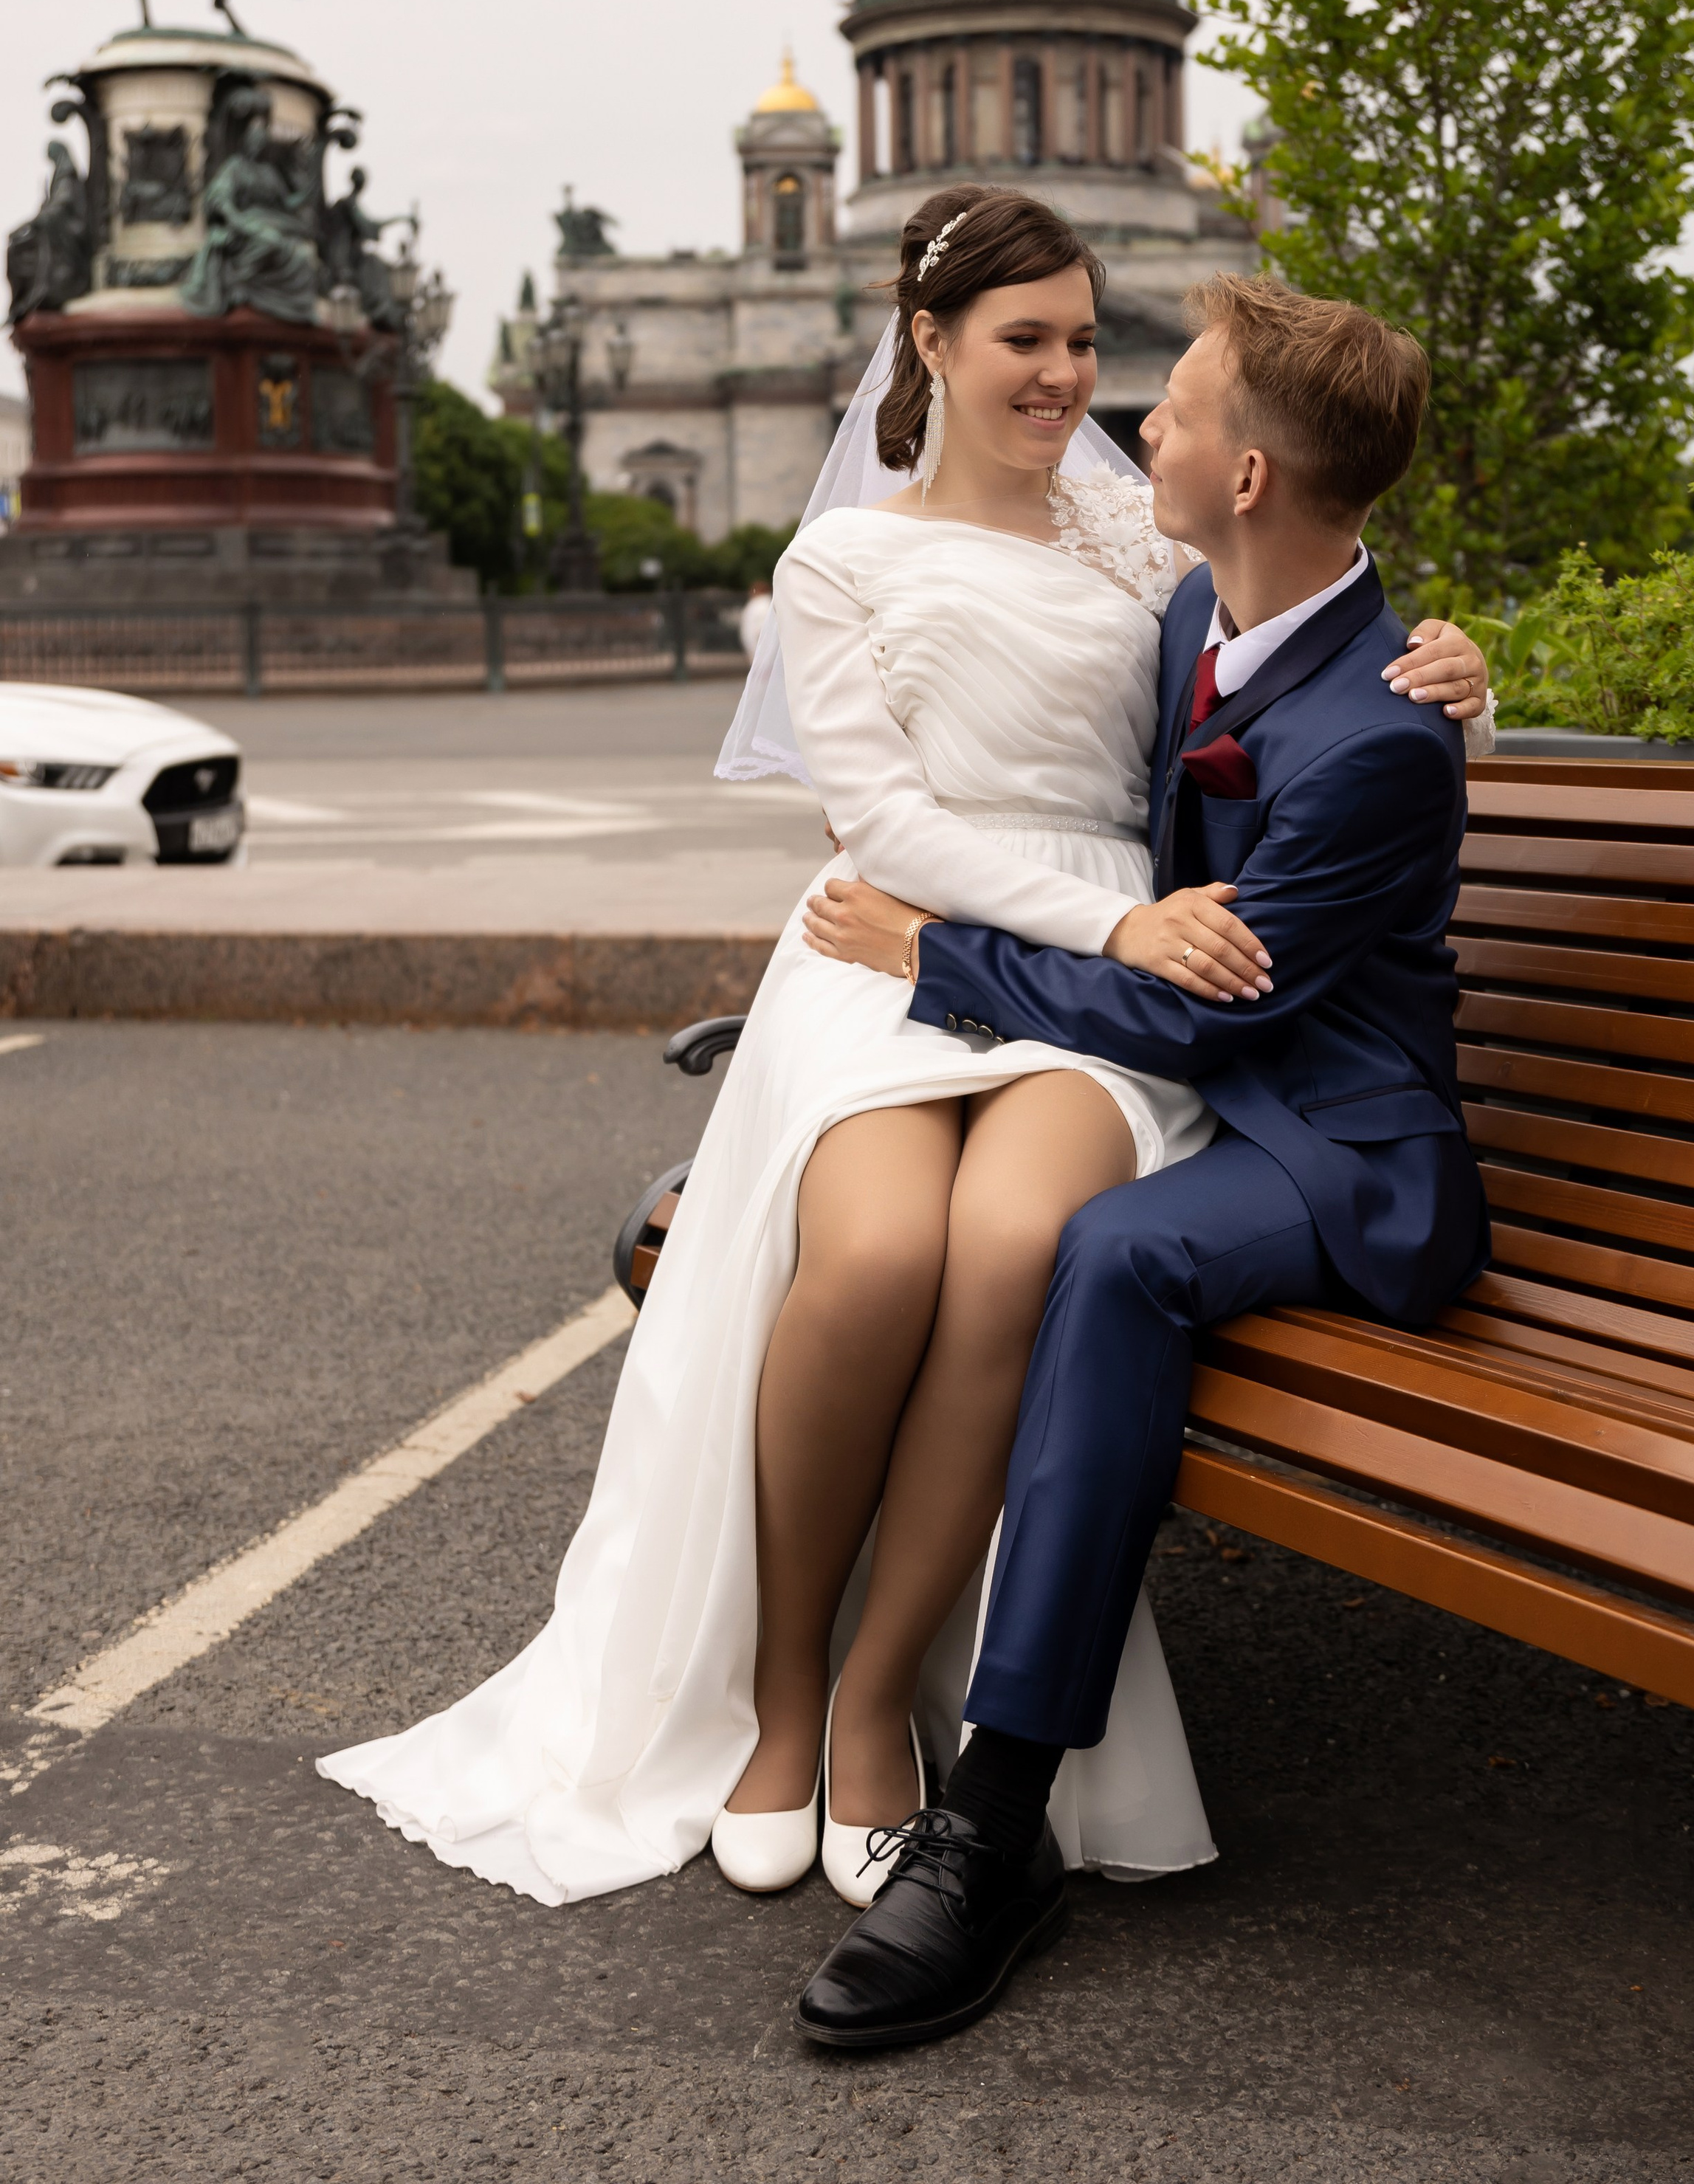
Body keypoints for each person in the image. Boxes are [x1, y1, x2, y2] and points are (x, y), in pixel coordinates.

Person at [317, 186, 1490, 1916]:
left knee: (1014, 1247)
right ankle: (780, 1696)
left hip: (1091, 968)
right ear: (927, 342)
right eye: (1029, 340)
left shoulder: (1139, 540)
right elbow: (882, 820)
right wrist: (1092, 930)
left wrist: (1471, 665)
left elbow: (1307, 629)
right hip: (916, 941)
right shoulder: (832, 557)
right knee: (870, 1257)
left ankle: (879, 1703)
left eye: (1090, 344)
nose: (1074, 378)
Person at [788, 266, 1492, 2046]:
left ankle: (997, 1814)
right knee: (1030, 1228)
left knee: (1108, 1251)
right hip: (1213, 1083)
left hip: (1332, 1139)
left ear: (1243, 479)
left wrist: (928, 952)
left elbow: (1199, 1020)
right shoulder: (1199, 619)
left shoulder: (1375, 735)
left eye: (1170, 408)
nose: (1138, 428)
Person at [737, 578, 773, 664]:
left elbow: (760, 629)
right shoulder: (762, 604)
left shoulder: (761, 605)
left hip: (760, 649)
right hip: (757, 649)